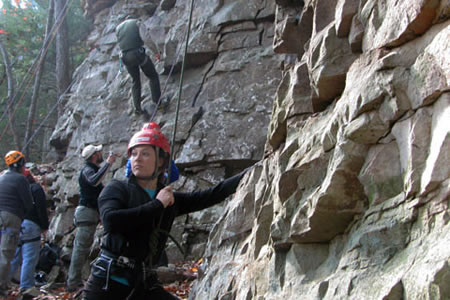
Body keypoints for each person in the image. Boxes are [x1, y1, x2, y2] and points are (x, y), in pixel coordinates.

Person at [82, 125, 246, 299]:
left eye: (145, 154)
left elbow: (211, 195)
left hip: (142, 285)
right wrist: (158, 204)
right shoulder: (118, 188)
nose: (137, 159)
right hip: (107, 284)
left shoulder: (168, 198)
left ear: (160, 161)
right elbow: (111, 221)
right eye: (134, 154)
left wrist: (252, 171)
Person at [66, 144, 117, 292]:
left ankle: (75, 281)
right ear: (94, 156)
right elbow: (94, 181)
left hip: (90, 213)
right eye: (99, 153)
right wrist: (109, 163)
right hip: (86, 212)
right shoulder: (88, 170)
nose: (102, 154)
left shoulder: (91, 170)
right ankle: (72, 283)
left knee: (82, 248)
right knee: (81, 249)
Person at [9, 169, 49, 297]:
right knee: (29, 257)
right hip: (31, 224)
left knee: (14, 256)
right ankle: (26, 286)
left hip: (16, 223)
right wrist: (44, 227)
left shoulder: (15, 190)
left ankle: (3, 282)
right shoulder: (36, 189)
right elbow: (41, 209)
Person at [0, 151, 33, 297]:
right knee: (6, 253)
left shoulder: (2, 178)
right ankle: (1, 286)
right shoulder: (21, 180)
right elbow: (29, 203)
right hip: (11, 217)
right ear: (20, 164)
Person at [116, 18, 161, 115]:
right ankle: (158, 102)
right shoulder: (137, 23)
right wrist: (156, 52)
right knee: (152, 76)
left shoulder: (118, 28)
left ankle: (137, 108)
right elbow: (146, 38)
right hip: (137, 54)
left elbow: (120, 44)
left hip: (125, 57)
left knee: (135, 81)